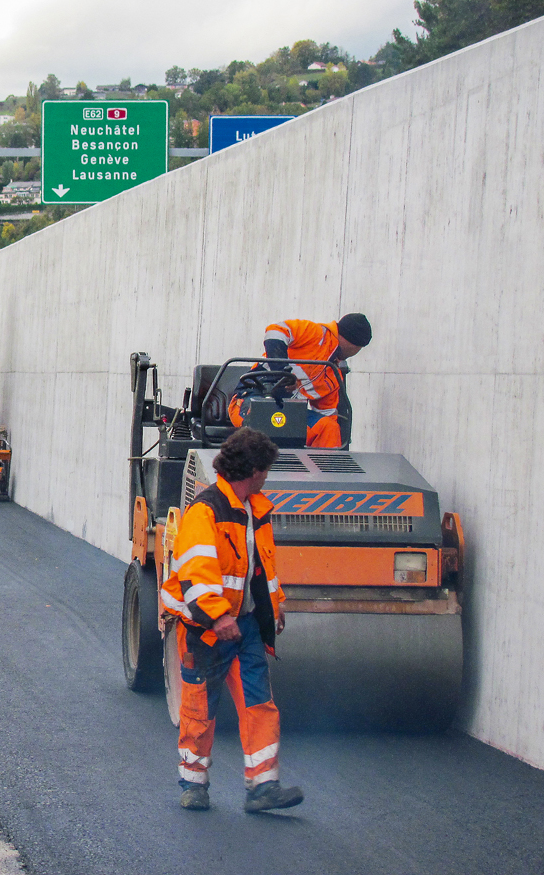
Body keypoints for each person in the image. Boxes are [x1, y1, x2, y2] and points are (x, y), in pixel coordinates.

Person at [161, 427, 303, 813]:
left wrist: (275, 605)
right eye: (266, 470)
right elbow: (196, 572)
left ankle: (263, 787)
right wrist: (218, 616)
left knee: (259, 704)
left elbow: (262, 569)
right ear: (254, 471)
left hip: (246, 627)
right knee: (200, 711)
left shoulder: (256, 509)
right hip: (207, 631)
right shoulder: (206, 511)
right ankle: (194, 785)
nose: (267, 476)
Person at [229, 313, 372, 448]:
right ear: (356, 346)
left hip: (291, 413)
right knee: (263, 419)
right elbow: (275, 331)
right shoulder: (315, 333)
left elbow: (327, 414)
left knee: (329, 427)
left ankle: (322, 466)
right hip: (252, 396)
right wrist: (282, 371)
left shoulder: (334, 376)